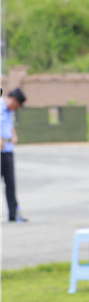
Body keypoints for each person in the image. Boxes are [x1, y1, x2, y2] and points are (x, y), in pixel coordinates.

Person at [1, 87, 28, 222]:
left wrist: (14, 135)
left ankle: (13, 214)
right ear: (13, 100)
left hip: (8, 151)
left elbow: (10, 125)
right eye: (17, 105)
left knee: (10, 183)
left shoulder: (10, 112)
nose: (16, 108)